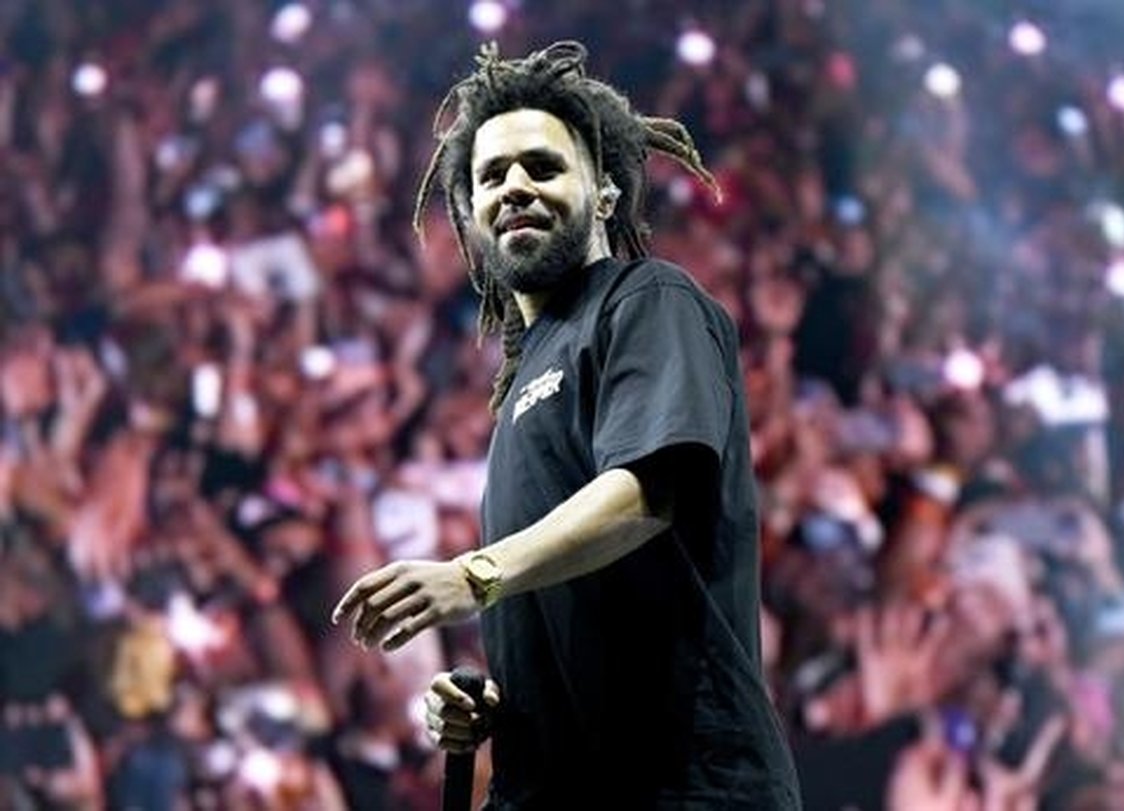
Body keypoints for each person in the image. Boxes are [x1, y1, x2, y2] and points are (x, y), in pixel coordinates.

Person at [331, 40, 803, 809]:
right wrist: (496, 704)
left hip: (684, 785)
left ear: (605, 193)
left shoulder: (647, 300)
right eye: (491, 176)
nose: (515, 186)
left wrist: (472, 575)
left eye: (543, 166)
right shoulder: (520, 387)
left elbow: (648, 493)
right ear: (470, 216)